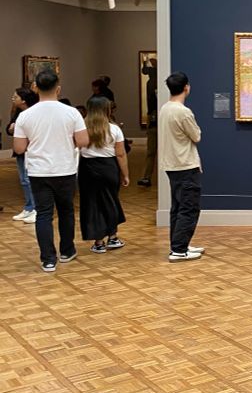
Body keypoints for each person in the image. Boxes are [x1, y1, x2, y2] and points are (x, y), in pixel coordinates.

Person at [12, 70, 88, 272]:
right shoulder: (72, 113)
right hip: (65, 169)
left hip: (38, 171)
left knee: (44, 214)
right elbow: (83, 141)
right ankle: (67, 250)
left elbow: (19, 148)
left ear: (36, 88)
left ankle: (48, 259)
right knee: (66, 211)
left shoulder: (25, 116)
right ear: (59, 88)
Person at [159, 72, 204, 262]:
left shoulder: (165, 108)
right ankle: (178, 249)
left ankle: (180, 244)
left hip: (172, 165)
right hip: (185, 164)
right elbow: (197, 136)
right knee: (188, 208)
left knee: (177, 207)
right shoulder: (183, 111)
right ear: (186, 87)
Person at [78, 96, 128, 254]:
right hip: (109, 167)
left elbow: (76, 149)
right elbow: (120, 154)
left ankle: (98, 242)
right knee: (111, 201)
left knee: (91, 203)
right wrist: (125, 174)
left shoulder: (81, 128)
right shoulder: (114, 129)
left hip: (87, 168)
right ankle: (112, 237)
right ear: (107, 110)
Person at [7, 88, 39, 223]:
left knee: (30, 179)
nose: (13, 98)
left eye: (16, 96)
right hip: (20, 150)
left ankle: (35, 209)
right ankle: (28, 207)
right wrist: (11, 128)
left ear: (24, 100)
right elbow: (10, 127)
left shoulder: (34, 113)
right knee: (24, 180)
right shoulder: (19, 112)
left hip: (31, 149)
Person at [137, 57, 158, 187]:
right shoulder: (151, 82)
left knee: (151, 150)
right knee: (151, 150)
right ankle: (146, 176)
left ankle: (147, 176)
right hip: (153, 116)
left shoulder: (153, 82)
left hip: (154, 116)